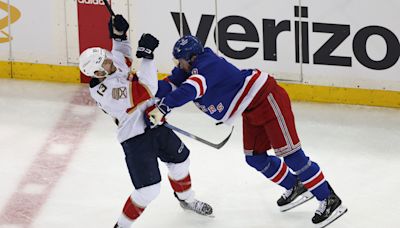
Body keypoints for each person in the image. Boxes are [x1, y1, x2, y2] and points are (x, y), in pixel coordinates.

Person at [146, 35, 347, 227]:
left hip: (267, 98)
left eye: (180, 61)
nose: (178, 65)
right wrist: (141, 87)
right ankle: (295, 185)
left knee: (292, 156)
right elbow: (169, 85)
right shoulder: (188, 68)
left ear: (192, 58)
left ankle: (329, 198)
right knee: (255, 157)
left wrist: (163, 108)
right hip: (250, 109)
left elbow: (191, 90)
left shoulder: (208, 65)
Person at [79, 17, 213, 228]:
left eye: (106, 57)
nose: (110, 61)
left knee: (181, 161)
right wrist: (148, 57)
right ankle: (121, 226)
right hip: (135, 137)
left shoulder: (111, 65)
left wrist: (119, 33)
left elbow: (121, 51)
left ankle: (186, 199)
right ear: (97, 73)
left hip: (154, 123)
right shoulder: (105, 92)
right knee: (148, 190)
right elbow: (147, 88)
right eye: (105, 63)